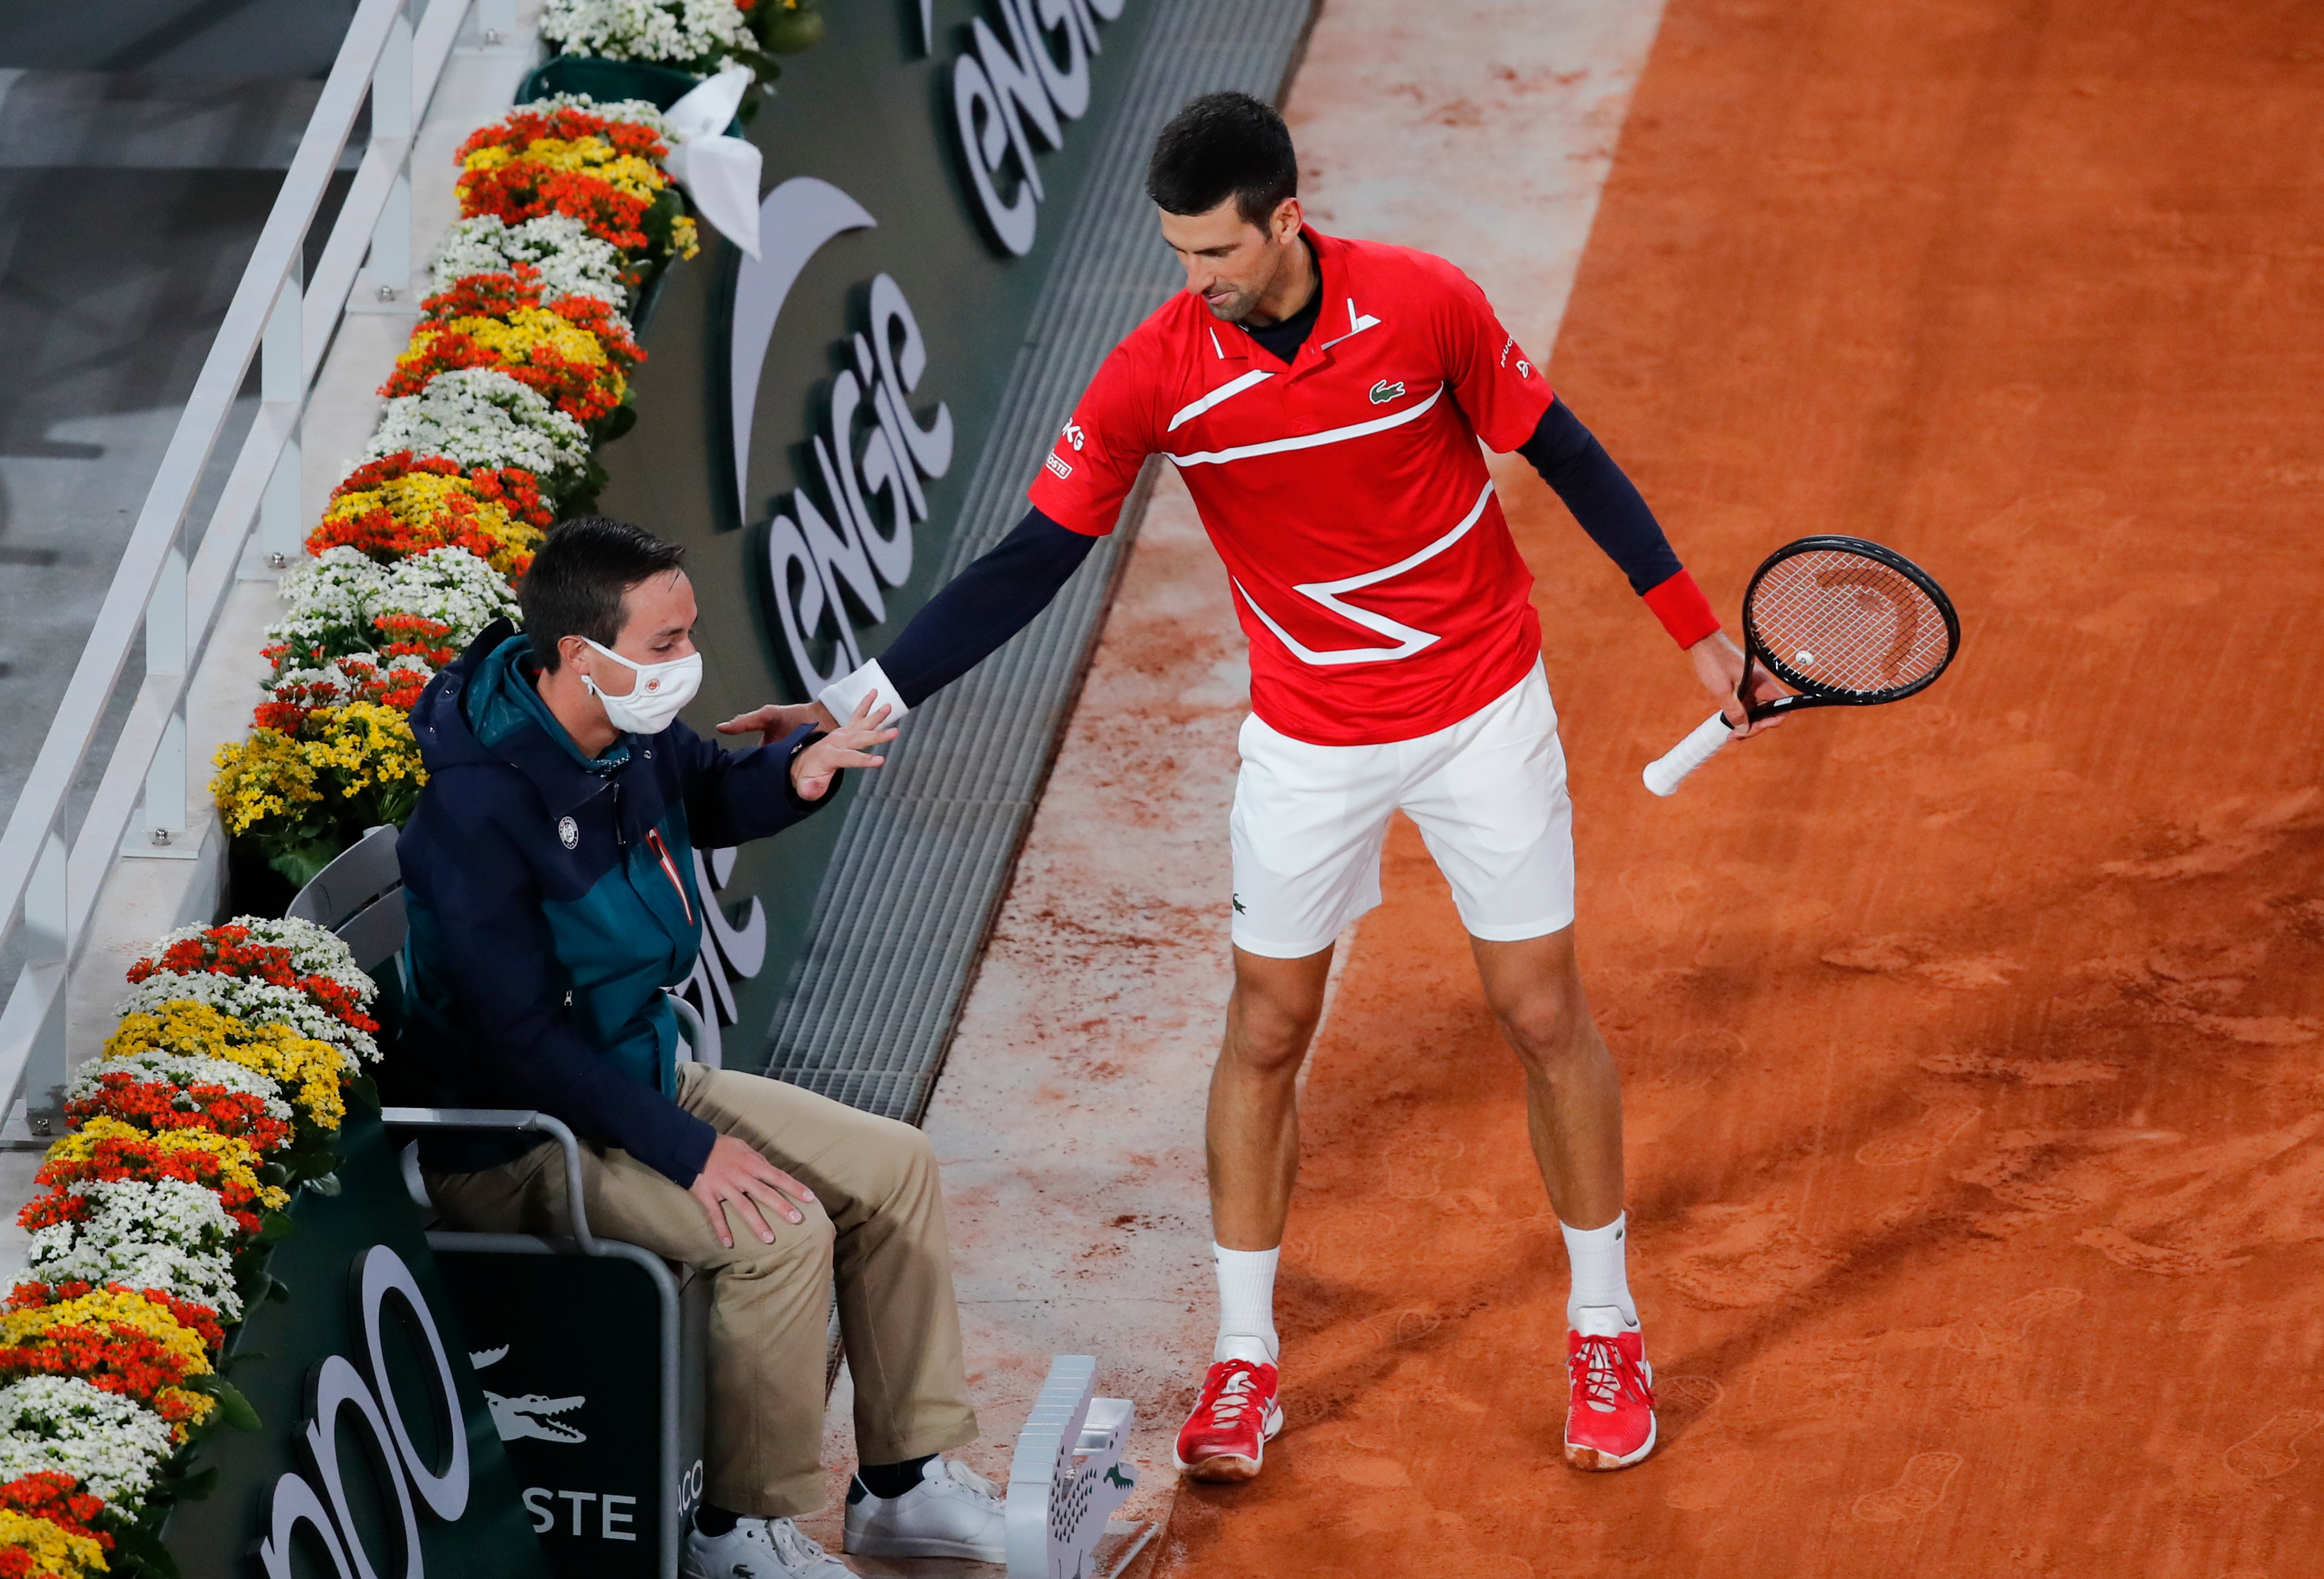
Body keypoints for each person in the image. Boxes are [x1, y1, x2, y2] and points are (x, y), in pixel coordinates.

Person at [769, 93, 1792, 1480]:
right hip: (1310, 739)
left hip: (1483, 706)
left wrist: (1694, 632)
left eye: (1217, 254)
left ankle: (1604, 1324)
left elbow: (1566, 453)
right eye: (1179, 255)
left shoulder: (1423, 305)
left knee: (1543, 1007)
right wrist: (857, 702)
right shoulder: (1158, 373)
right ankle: (1245, 1361)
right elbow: (1030, 562)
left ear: (1287, 220)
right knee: (1266, 1024)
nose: (1196, 282)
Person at [396, 518, 1013, 1579]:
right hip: (515, 1140)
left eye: (688, 636)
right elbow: (521, 1043)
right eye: (667, 643)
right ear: (584, 657)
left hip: (627, 1076)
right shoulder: (475, 809)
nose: (688, 665)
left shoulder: (621, 734)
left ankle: (904, 1486)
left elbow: (713, 794)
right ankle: (737, 1530)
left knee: (893, 1168)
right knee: (778, 1232)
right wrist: (690, 1152)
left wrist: (799, 772)